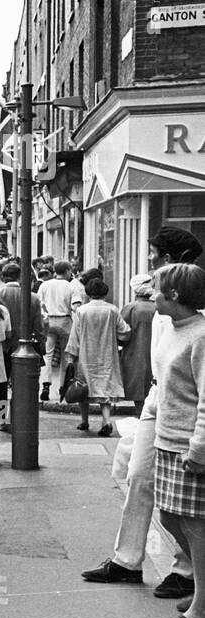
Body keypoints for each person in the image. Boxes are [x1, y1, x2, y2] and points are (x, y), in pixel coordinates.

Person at [83, 227, 201, 595]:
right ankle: (127, 560)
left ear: (168, 258)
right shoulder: (161, 297)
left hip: (181, 406)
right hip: (156, 397)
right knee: (138, 475)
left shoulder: (187, 306)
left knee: (182, 498)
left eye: (153, 253)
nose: (148, 259)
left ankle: (186, 571)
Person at [146, 263, 205, 618]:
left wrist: (199, 448)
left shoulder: (200, 336)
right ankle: (203, 590)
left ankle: (200, 609)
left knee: (195, 525)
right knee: (169, 517)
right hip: (167, 439)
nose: (152, 295)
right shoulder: (173, 329)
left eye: (156, 289)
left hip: (187, 445)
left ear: (175, 295)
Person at [66, 278, 130, 436]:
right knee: (105, 388)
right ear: (105, 293)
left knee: (83, 387)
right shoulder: (112, 310)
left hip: (86, 354)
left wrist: (71, 356)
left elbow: (75, 336)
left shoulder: (82, 311)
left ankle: (84, 420)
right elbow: (125, 331)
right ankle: (106, 421)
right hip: (107, 354)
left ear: (88, 293)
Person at [0, 261, 43, 432]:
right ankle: (17, 417)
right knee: (21, 386)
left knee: (1, 386)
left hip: (3, 347)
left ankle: (2, 419)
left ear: (3, 277)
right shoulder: (32, 297)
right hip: (25, 347)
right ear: (20, 277)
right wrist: (42, 344)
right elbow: (39, 326)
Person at [38, 259, 81, 403]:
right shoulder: (70, 286)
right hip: (65, 321)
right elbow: (76, 307)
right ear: (68, 271)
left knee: (47, 355)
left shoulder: (45, 285)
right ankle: (62, 386)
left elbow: (39, 303)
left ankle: (45, 386)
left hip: (48, 321)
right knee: (65, 356)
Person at [120, 274, 157, 416]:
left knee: (139, 392)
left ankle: (141, 419)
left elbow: (121, 334)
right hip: (155, 354)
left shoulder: (130, 308)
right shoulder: (159, 308)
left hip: (134, 354)